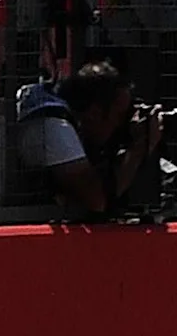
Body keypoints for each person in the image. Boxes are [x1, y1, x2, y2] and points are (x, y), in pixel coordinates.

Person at [14, 57, 162, 221]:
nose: (123, 125)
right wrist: (138, 148)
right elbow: (97, 201)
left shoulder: (66, 117)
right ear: (94, 114)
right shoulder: (56, 127)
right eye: (119, 116)